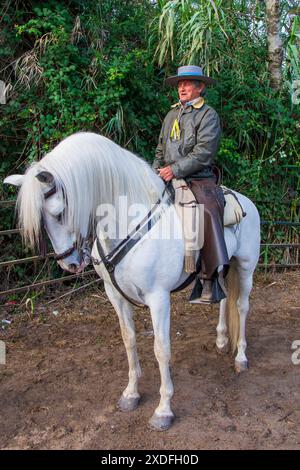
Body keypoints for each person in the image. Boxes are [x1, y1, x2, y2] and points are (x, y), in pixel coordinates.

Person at [153, 65, 229, 304]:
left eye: (187, 83)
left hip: (199, 178)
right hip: (167, 175)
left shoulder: (208, 115)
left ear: (200, 87)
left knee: (206, 210)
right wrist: (154, 171)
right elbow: (160, 148)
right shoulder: (171, 115)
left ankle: (209, 279)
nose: (182, 87)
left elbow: (204, 153)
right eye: (180, 84)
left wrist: (174, 169)